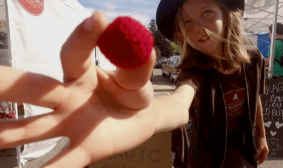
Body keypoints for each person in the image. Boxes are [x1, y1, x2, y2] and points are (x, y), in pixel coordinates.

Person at [0, 0, 268, 168]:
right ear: (181, 33)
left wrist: (261, 135)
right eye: (187, 21)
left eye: (207, 11)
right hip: (206, 161)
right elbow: (177, 105)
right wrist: (145, 117)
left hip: (245, 156)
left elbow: (254, 97)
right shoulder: (193, 73)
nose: (198, 26)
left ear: (227, 12)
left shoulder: (254, 59)